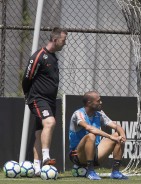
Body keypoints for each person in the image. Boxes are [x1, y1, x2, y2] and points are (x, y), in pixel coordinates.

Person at [22, 27, 67, 175]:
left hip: (50, 101)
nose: (65, 43)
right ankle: (46, 157)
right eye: (63, 40)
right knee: (50, 122)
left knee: (39, 132)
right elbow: (27, 77)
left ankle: (36, 168)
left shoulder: (53, 57)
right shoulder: (39, 56)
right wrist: (28, 95)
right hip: (37, 98)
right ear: (55, 40)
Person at [69, 91, 128, 180]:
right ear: (89, 102)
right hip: (78, 155)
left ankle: (115, 172)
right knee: (91, 135)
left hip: (95, 153)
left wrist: (122, 135)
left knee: (117, 135)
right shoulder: (78, 114)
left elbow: (116, 126)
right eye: (98, 101)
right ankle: (90, 171)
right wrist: (110, 136)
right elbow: (90, 128)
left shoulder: (99, 113)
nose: (101, 102)